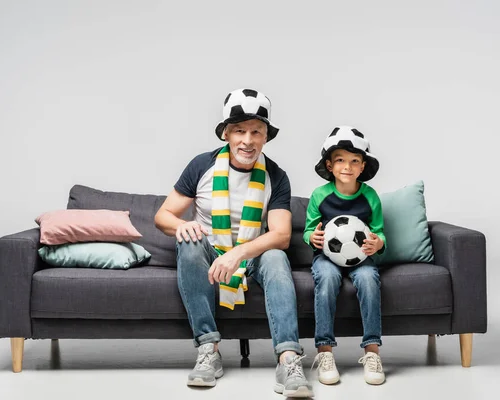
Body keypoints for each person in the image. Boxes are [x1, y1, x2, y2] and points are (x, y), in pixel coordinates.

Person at [155, 88, 313, 397]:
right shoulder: (202, 165)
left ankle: (289, 359)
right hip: (209, 248)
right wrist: (182, 225)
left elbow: (280, 235)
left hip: (252, 252)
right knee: (188, 242)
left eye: (257, 132)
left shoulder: (276, 176)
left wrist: (238, 254)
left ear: (266, 137)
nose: (248, 140)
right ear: (226, 133)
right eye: (239, 130)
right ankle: (208, 350)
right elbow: (163, 216)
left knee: (277, 257)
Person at [303, 126, 387, 385]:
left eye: (354, 161)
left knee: (369, 280)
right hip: (327, 258)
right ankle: (325, 352)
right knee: (326, 279)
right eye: (340, 160)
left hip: (361, 259)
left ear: (363, 167)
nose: (347, 167)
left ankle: (372, 352)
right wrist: (312, 238)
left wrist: (377, 244)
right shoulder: (320, 195)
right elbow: (308, 230)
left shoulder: (370, 197)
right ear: (329, 165)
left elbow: (380, 233)